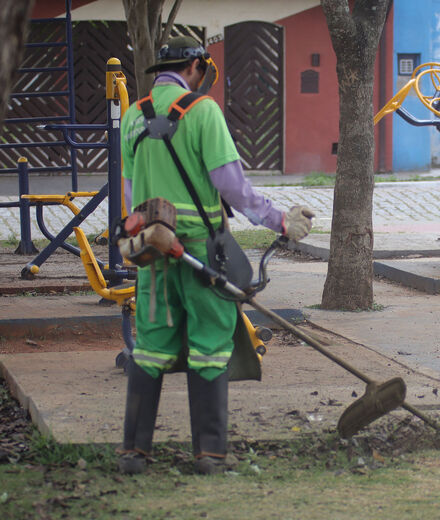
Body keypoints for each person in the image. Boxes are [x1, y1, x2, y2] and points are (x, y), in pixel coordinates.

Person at [118, 36, 314, 475]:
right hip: (204, 253)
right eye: (202, 70)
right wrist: (281, 221)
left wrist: (146, 234)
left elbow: (130, 195)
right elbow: (232, 188)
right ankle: (209, 455)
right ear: (194, 67)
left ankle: (133, 453)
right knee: (209, 347)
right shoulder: (203, 111)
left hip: (153, 249)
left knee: (149, 348)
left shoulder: (132, 116)